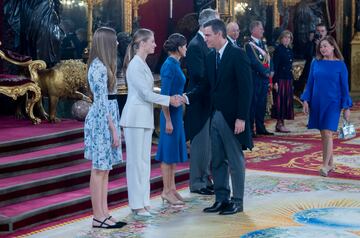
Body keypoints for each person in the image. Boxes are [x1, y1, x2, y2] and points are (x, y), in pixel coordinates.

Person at [184, 19, 253, 215]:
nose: (204, 39)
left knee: (234, 159)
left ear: (219, 34)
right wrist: (187, 97)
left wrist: (242, 117)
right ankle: (222, 199)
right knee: (217, 160)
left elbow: (246, 89)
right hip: (214, 115)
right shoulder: (210, 56)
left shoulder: (237, 54)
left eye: (207, 35)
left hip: (232, 118)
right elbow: (205, 86)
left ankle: (237, 201)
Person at [120, 28, 182, 219]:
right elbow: (145, 94)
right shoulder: (135, 65)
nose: (156, 44)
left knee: (144, 163)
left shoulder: (143, 64)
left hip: (143, 118)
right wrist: (168, 99)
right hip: (134, 119)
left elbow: (149, 89)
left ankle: (144, 202)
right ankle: (136, 204)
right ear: (143, 43)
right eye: (152, 41)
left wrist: (166, 97)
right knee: (135, 164)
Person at [84, 27, 126, 229]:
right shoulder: (98, 67)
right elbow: (100, 102)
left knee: (105, 169)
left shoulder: (103, 66)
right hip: (102, 120)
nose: (117, 43)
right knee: (99, 169)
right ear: (106, 43)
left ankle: (104, 212)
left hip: (107, 116)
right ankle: (97, 215)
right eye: (115, 40)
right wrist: (112, 129)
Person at [301, 36, 352, 177]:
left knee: (328, 133)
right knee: (323, 134)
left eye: (325, 46)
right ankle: (330, 163)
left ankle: (325, 166)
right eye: (321, 47)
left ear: (333, 47)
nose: (323, 49)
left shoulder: (340, 65)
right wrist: (306, 100)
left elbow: (344, 88)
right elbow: (310, 83)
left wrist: (347, 107)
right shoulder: (315, 63)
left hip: (333, 104)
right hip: (317, 102)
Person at [184, 8, 219, 196]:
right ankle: (197, 182)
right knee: (200, 144)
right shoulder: (196, 44)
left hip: (209, 101)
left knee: (208, 145)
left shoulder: (206, 42)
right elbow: (198, 75)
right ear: (207, 24)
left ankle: (205, 178)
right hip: (199, 101)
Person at [156, 33, 188, 206]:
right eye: (185, 45)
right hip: (169, 115)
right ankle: (165, 190)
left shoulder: (175, 63)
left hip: (176, 114)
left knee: (173, 153)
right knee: (167, 154)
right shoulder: (169, 65)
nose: (186, 48)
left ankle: (172, 188)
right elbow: (164, 96)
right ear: (178, 48)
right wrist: (167, 120)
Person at [245, 20, 273, 137]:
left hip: (264, 79)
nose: (263, 30)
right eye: (260, 28)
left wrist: (271, 70)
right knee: (253, 104)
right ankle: (251, 129)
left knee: (262, 103)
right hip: (256, 78)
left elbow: (269, 58)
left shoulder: (263, 43)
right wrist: (265, 72)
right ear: (253, 30)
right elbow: (254, 62)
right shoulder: (249, 45)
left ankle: (261, 127)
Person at [271, 30, 294, 133]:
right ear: (281, 39)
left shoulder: (289, 50)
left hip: (287, 79)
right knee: (280, 102)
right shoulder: (278, 50)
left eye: (289, 38)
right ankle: (279, 124)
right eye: (285, 37)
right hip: (280, 80)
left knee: (285, 102)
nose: (287, 39)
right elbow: (275, 67)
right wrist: (275, 82)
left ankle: (281, 124)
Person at [298, 23, 328, 93]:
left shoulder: (330, 44)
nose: (320, 33)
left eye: (322, 31)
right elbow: (305, 55)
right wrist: (310, 42)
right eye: (318, 31)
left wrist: (320, 47)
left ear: (326, 32)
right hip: (311, 72)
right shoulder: (311, 43)